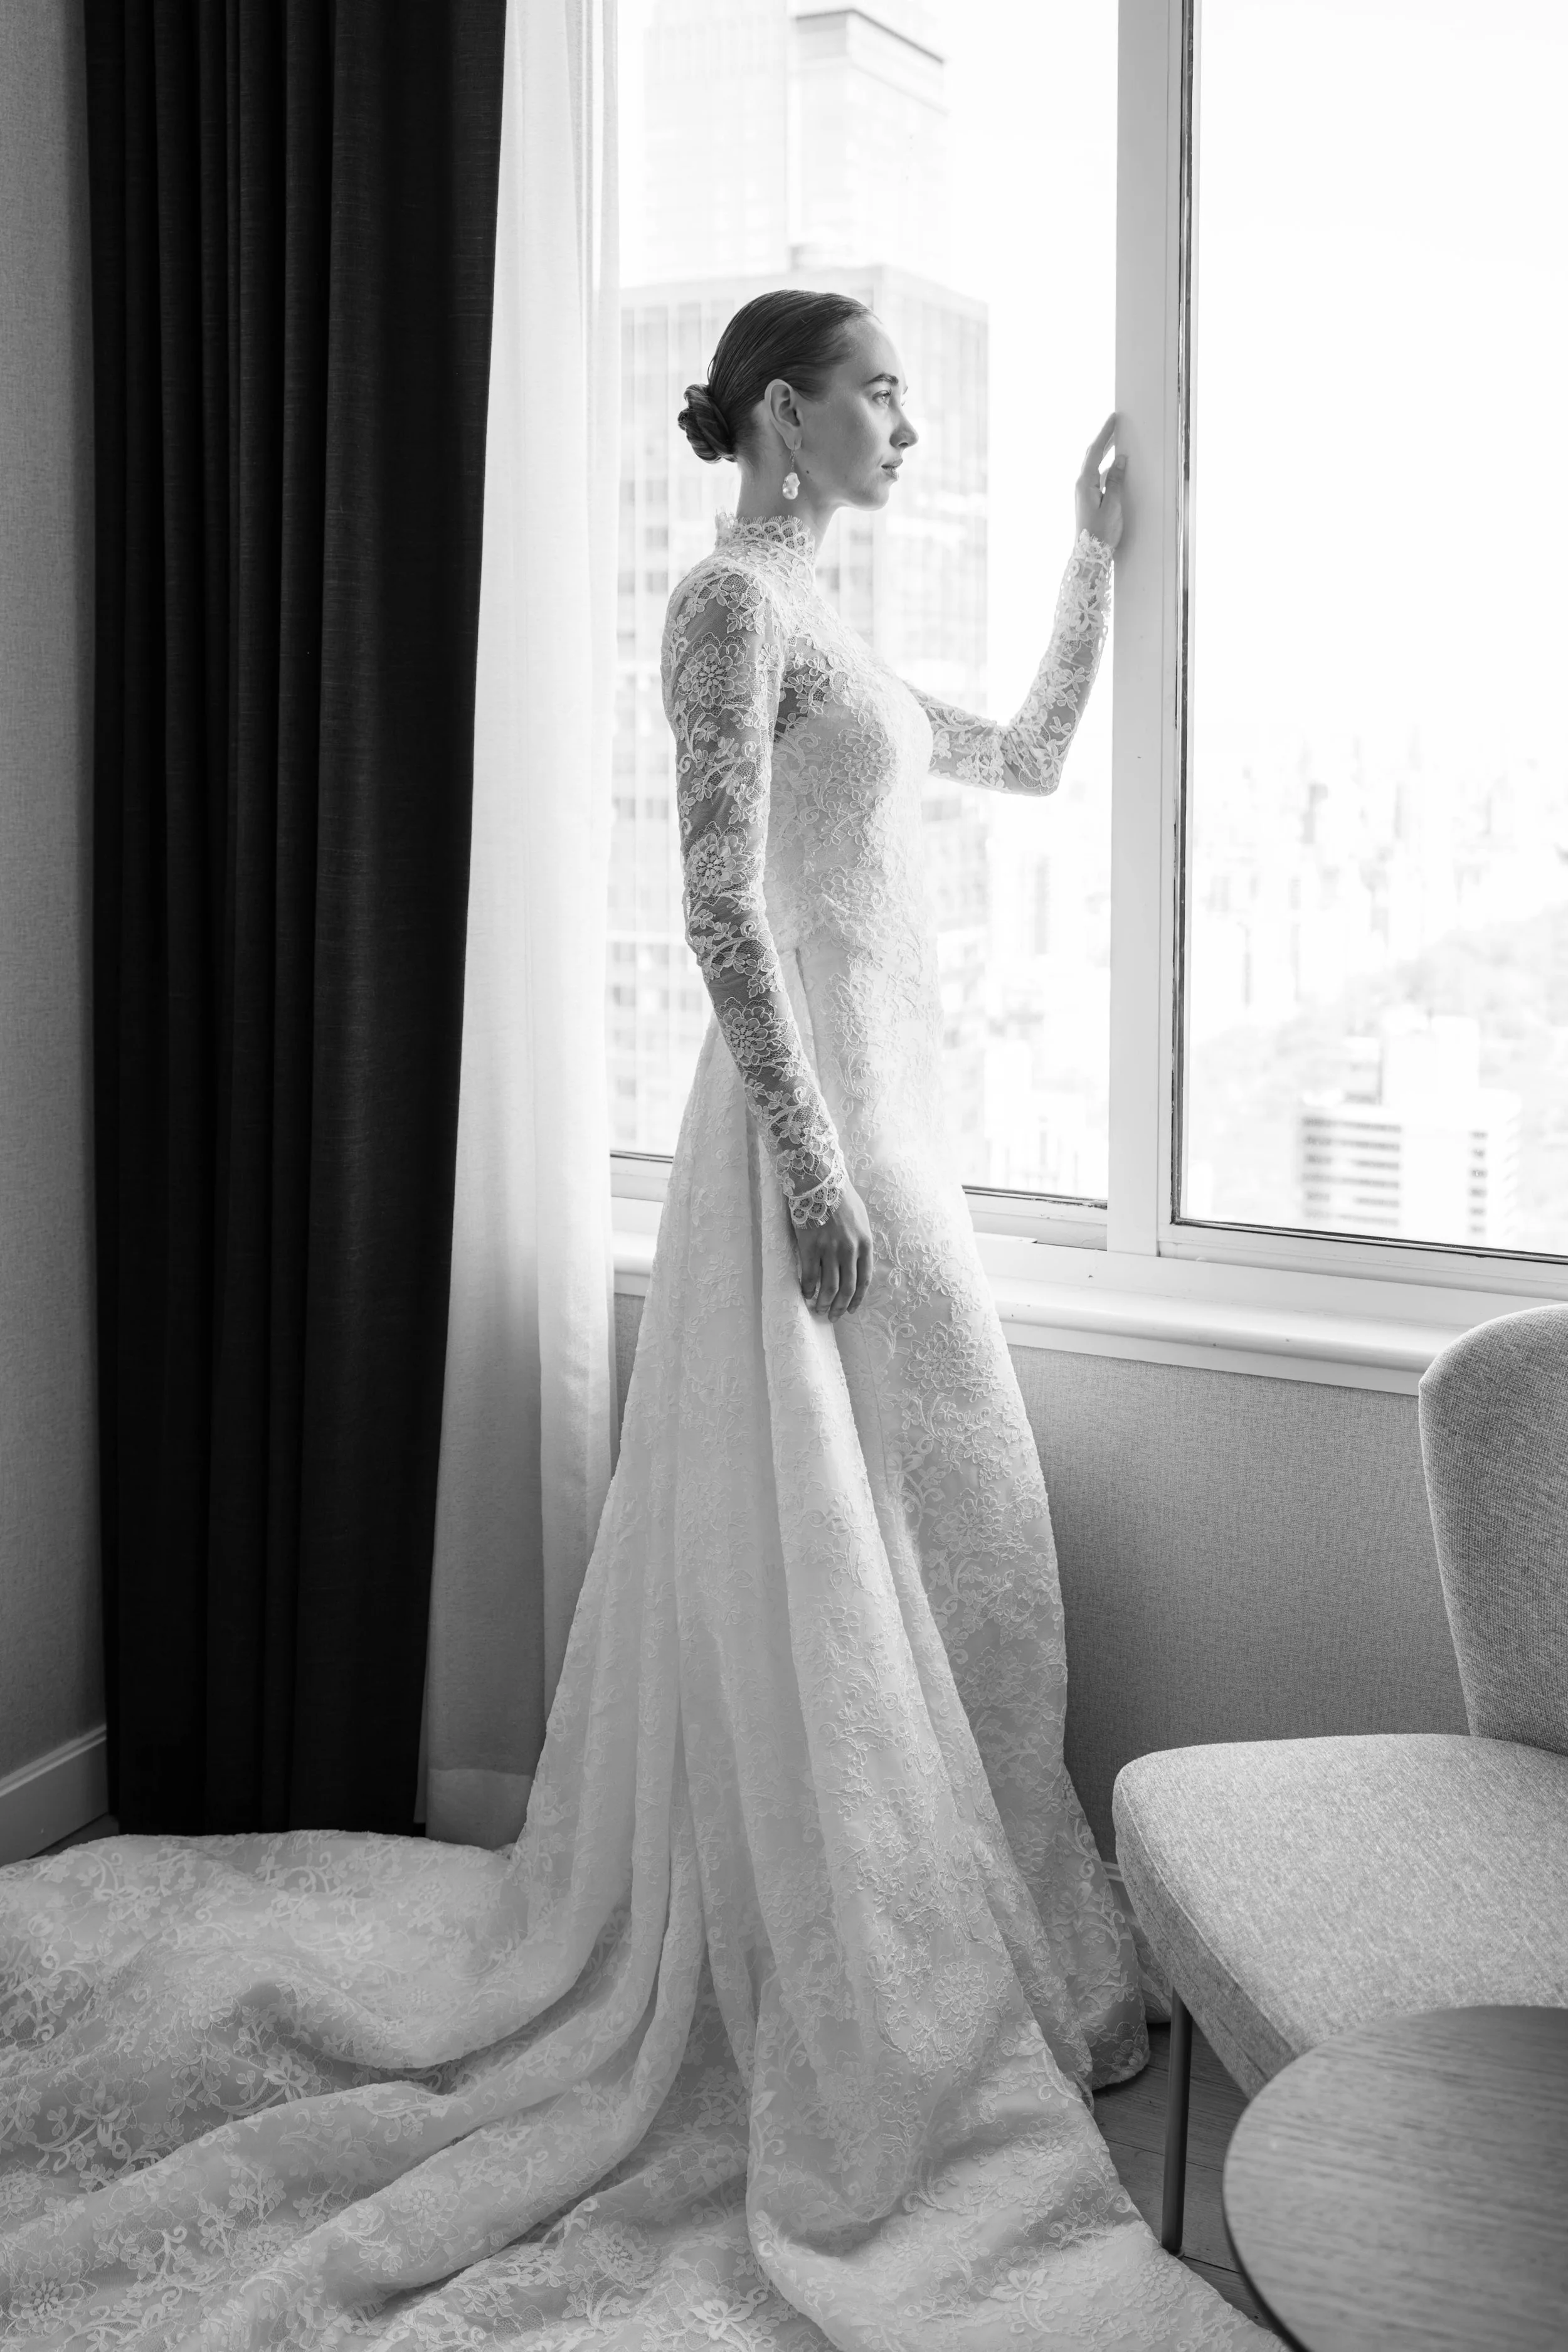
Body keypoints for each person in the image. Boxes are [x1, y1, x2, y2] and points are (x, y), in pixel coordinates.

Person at [0, 292, 1265, 2348]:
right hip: (802, 1142)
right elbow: (714, 897)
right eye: (877, 393)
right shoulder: (722, 606)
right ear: (782, 411)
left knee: (952, 1535)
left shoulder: (836, 625)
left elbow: (1025, 757)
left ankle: (946, 1941)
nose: (903, 425)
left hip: (892, 1121)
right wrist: (808, 1162)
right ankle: (810, 1974)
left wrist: (1088, 561)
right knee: (825, 1546)